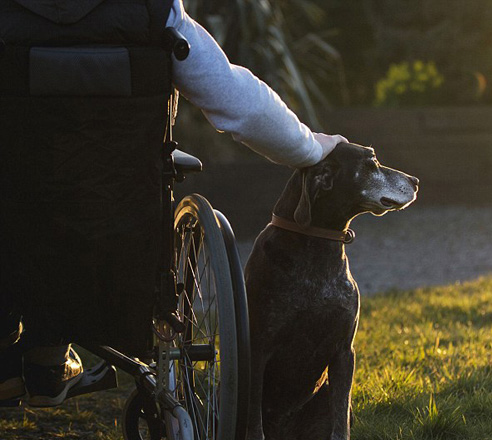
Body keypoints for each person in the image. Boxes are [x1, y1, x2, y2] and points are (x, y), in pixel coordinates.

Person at [0, 0, 347, 407]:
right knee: (83, 204)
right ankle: (47, 358)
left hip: (15, 234)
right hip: (117, 237)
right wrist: (308, 146)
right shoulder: (152, 12)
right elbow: (237, 101)